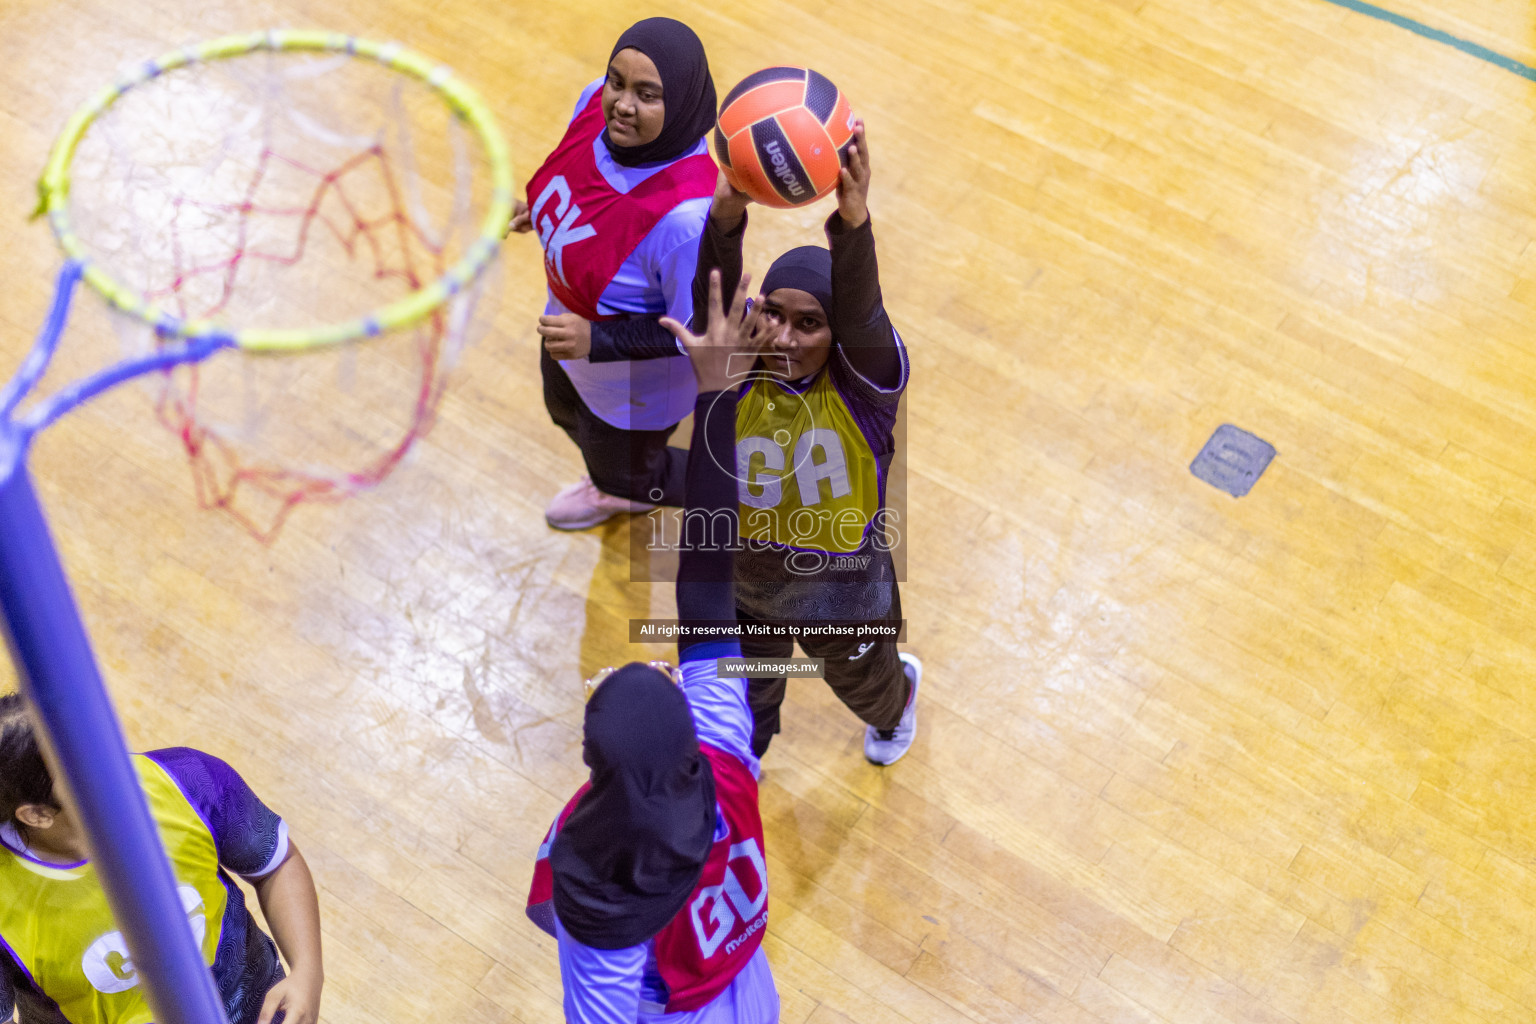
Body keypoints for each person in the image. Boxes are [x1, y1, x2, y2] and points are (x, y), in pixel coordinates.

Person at [525, 271, 778, 1022]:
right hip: (747, 995)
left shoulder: (602, 889)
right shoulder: (727, 757)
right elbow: (705, 581)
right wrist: (717, 391)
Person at [689, 122, 920, 765]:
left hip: (841, 599)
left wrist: (851, 225)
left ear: (837, 333)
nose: (786, 338)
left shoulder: (865, 392)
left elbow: (866, 315)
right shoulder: (732, 371)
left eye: (810, 324)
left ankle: (899, 698)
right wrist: (728, 213)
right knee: (749, 695)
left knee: (867, 690)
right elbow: (708, 303)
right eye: (775, 315)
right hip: (744, 590)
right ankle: (747, 754)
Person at [508, 17, 719, 530]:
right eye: (617, 82)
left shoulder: (688, 219)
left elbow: (698, 333)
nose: (622, 104)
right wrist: (544, 211)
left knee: (627, 472)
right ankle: (612, 481)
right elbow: (591, 194)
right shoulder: (591, 104)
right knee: (563, 413)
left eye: (648, 94)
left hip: (633, 387)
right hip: (569, 336)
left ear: (683, 103)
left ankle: (742, 489)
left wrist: (595, 341)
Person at [0, 694, 323, 1024]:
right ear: (37, 814)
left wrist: (307, 973)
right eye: (82, 768)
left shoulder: (187, 780)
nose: (111, 766)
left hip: (250, 1004)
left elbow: (276, 866)